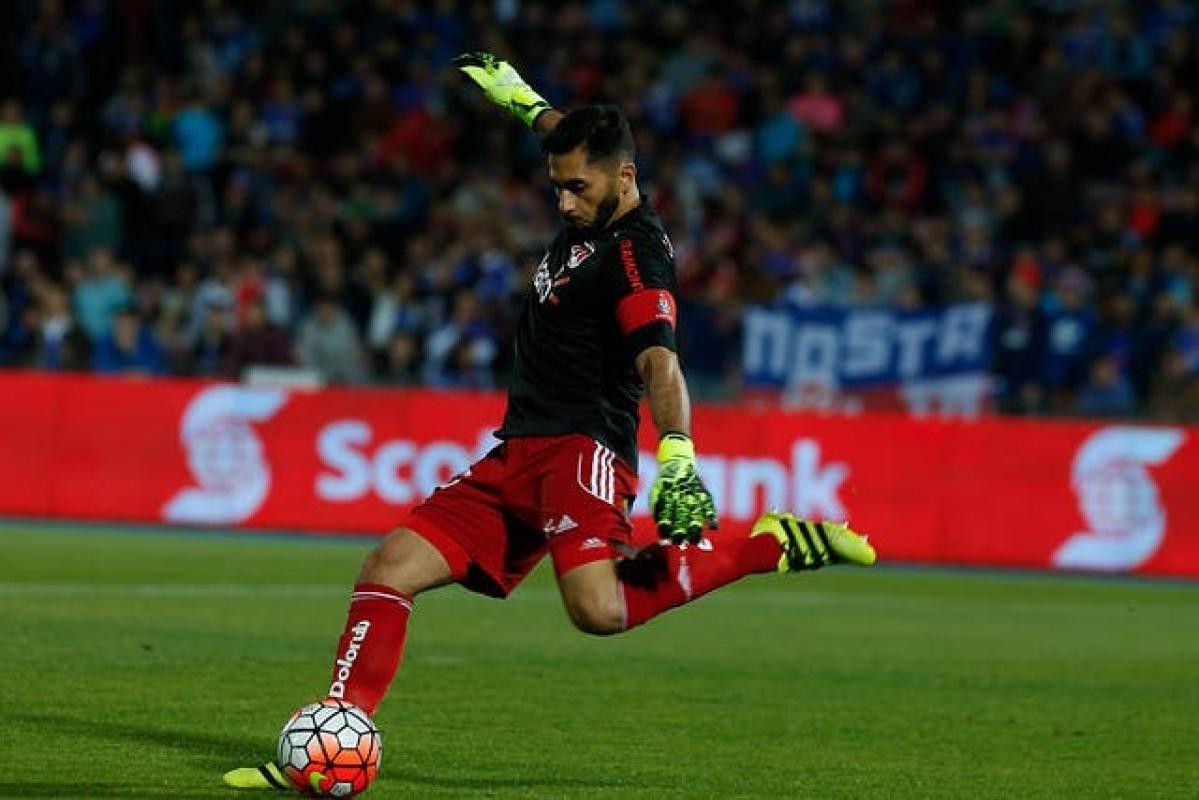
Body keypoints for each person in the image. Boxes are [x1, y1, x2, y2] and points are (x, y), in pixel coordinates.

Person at [224, 52, 876, 791]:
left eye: (577, 188)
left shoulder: (636, 257)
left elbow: (659, 361)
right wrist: (522, 101)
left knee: (596, 610)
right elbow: (564, 133)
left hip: (580, 449)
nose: (564, 203)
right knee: (388, 569)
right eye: (557, 186)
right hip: (518, 452)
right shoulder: (591, 176)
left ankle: (765, 546)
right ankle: (331, 744)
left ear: (624, 179)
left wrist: (678, 453)